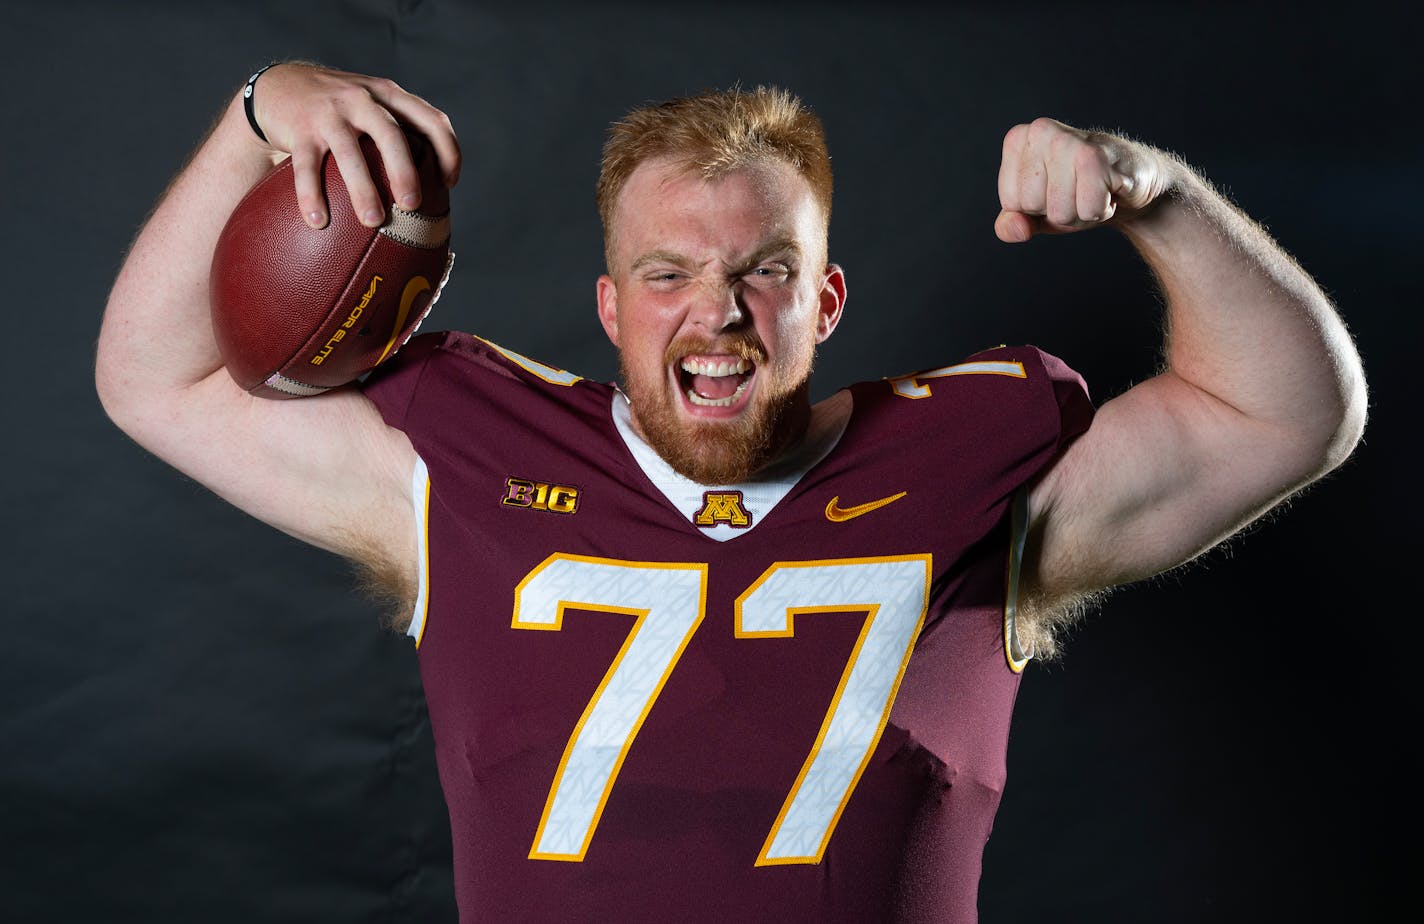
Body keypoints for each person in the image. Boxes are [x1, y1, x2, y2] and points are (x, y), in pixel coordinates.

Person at [95, 62, 1366, 922]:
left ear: (822, 303)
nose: (716, 311)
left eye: (763, 271)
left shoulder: (973, 470)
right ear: (607, 307)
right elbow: (155, 384)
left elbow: (1288, 415)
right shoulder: (457, 468)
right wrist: (258, 110)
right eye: (666, 274)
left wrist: (1157, 196)